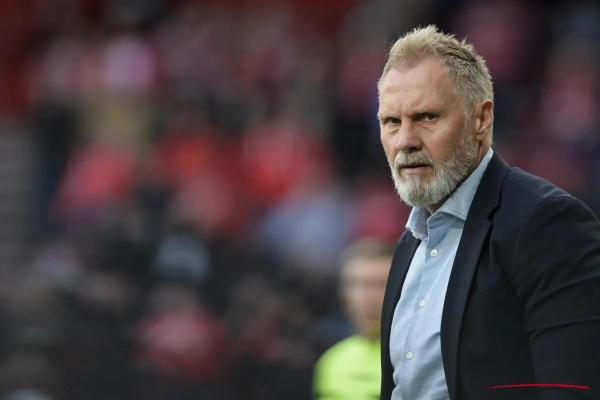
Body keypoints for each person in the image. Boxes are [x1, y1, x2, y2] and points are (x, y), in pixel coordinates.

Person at [377, 25, 600, 400]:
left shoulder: (547, 222)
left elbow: (575, 390)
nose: (405, 141)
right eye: (391, 122)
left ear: (481, 119)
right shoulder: (410, 242)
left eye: (427, 117)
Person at [313, 239, 394, 400]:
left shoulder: (420, 361)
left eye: (381, 284)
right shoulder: (332, 360)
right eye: (357, 284)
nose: (368, 297)